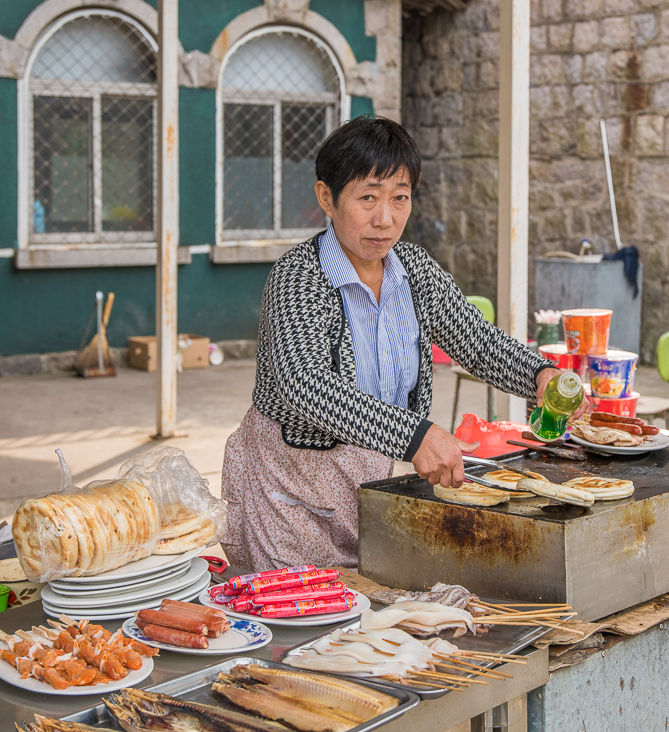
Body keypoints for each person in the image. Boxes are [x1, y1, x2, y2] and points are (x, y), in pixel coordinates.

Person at [221, 117, 573, 572]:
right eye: (367, 197)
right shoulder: (299, 277)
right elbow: (304, 384)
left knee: (365, 618)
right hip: (286, 490)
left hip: (367, 481)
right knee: (305, 626)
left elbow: (475, 338)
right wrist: (414, 436)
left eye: (399, 198)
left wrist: (538, 374)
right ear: (326, 197)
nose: (384, 219)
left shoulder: (413, 270)